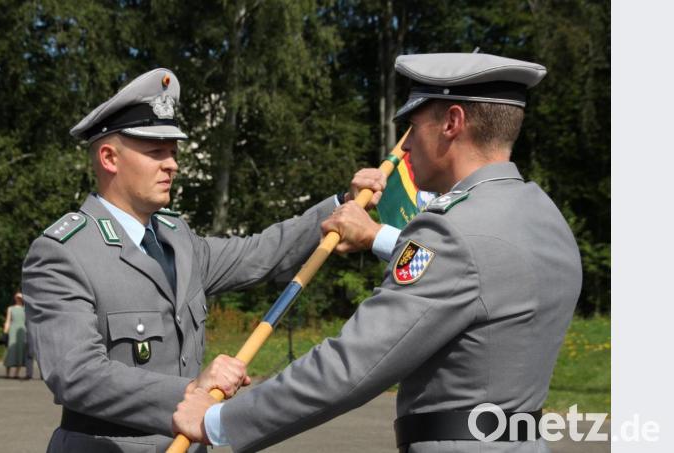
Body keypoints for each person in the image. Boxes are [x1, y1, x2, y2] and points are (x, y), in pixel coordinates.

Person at [172, 52, 583, 453]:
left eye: (412, 126)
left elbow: (351, 366)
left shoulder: (452, 232)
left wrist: (216, 421)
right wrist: (375, 236)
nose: (403, 148)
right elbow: (477, 276)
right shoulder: (544, 216)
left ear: (452, 123)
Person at [22, 68, 355, 453]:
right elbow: (75, 374)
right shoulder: (64, 252)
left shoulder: (178, 239)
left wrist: (340, 208)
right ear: (109, 157)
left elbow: (260, 253)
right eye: (156, 152)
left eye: (173, 152)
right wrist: (190, 391)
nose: (172, 164)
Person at [3, 292, 28, 378]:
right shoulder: (10, 308)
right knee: (10, 350)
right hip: (13, 330)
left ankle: (16, 373)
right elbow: (8, 320)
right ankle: (7, 373)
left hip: (22, 331)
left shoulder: (25, 309)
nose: (19, 299)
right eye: (17, 298)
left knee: (20, 351)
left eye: (20, 298)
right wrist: (5, 332)